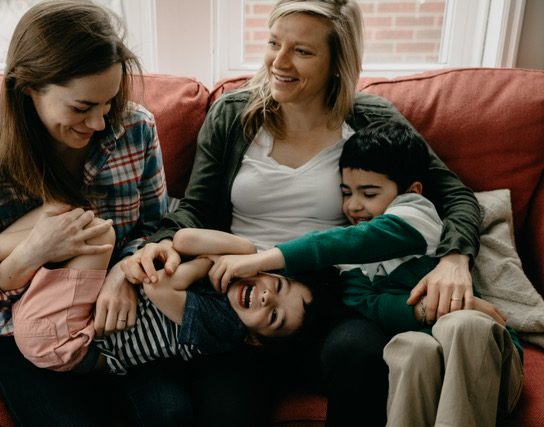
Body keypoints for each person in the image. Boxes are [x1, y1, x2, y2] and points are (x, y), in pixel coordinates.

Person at [121, 1, 482, 425]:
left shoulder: (370, 121)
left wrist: (456, 260)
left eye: (303, 51)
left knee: (358, 352)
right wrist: (155, 248)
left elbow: (456, 196)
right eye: (275, 43)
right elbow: (196, 210)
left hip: (332, 298)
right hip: (243, 294)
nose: (280, 61)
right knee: (225, 407)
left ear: (336, 63)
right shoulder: (233, 115)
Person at [0, 1, 171, 425]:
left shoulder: (136, 128)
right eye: (81, 107)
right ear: (28, 87)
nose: (101, 123)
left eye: (108, 104)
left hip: (127, 314)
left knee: (169, 413)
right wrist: (34, 251)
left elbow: (157, 228)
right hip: (28, 329)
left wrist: (124, 272)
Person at [205, 119, 524, 426]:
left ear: (411, 191)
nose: (354, 206)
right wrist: (429, 311)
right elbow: (370, 305)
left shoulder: (416, 216)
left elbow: (355, 241)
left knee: (461, 324)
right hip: (435, 374)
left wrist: (266, 259)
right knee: (411, 348)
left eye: (369, 194)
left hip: (491, 368)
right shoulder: (351, 269)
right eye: (346, 193)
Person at [0, 221, 323, 374]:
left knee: (96, 232)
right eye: (279, 286)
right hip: (63, 323)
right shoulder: (229, 283)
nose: (267, 298)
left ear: (255, 338)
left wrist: (206, 263)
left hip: (69, 341)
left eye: (274, 318)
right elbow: (182, 238)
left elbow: (157, 284)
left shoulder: (224, 330)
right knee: (64, 217)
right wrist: (248, 254)